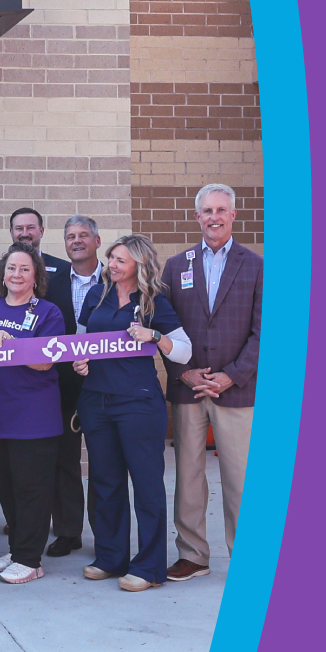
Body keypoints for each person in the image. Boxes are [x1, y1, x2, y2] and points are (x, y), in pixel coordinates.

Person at [74, 234, 192, 592]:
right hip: (97, 401)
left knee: (146, 485)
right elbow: (81, 340)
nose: (112, 264)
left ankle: (150, 567)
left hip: (137, 404)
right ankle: (111, 557)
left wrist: (153, 336)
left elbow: (183, 352)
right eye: (111, 257)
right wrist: (80, 362)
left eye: (120, 260)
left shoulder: (154, 301)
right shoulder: (98, 295)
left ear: (138, 265)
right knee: (106, 484)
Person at [162, 184, 262, 582]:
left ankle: (247, 556)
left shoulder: (255, 265)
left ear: (234, 215)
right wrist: (182, 372)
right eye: (207, 211)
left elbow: (264, 331)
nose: (214, 217)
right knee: (187, 475)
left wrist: (230, 375)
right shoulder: (176, 265)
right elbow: (162, 327)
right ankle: (193, 554)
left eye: (221, 210)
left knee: (239, 477)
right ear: (197, 216)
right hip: (188, 387)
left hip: (236, 390)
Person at [0, 244, 67, 585]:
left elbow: (45, 361)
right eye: (11, 268)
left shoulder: (49, 312)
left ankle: (30, 559)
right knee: (5, 486)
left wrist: (12, 344)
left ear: (36, 276)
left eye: (25, 269)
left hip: (32, 417)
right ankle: (18, 547)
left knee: (31, 489)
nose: (17, 275)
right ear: (2, 274)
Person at [8, 207, 91, 558]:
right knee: (54, 460)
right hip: (45, 382)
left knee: (85, 461)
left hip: (89, 377)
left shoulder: (66, 271)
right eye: (19, 228)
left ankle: (87, 533)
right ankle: (53, 528)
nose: (25, 233)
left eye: (31, 227)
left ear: (42, 230)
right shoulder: (24, 274)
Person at [45, 215, 103, 557]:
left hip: (105, 385)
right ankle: (67, 532)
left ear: (97, 241)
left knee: (103, 462)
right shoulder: (51, 284)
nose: (77, 241)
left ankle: (104, 533)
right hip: (62, 386)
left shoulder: (116, 279)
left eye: (83, 235)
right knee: (64, 461)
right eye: (70, 236)